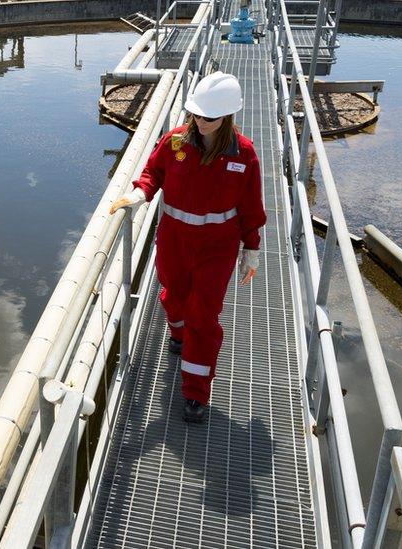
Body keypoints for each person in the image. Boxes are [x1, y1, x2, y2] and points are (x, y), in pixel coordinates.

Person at [109, 72, 266, 423]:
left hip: (216, 249)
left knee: (203, 317)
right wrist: (138, 195)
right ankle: (177, 333)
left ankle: (196, 392)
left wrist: (251, 248)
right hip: (174, 242)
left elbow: (252, 208)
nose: (200, 122)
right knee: (173, 296)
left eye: (208, 117)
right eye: (195, 114)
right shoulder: (175, 142)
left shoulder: (244, 155)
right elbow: (153, 173)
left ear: (227, 115)